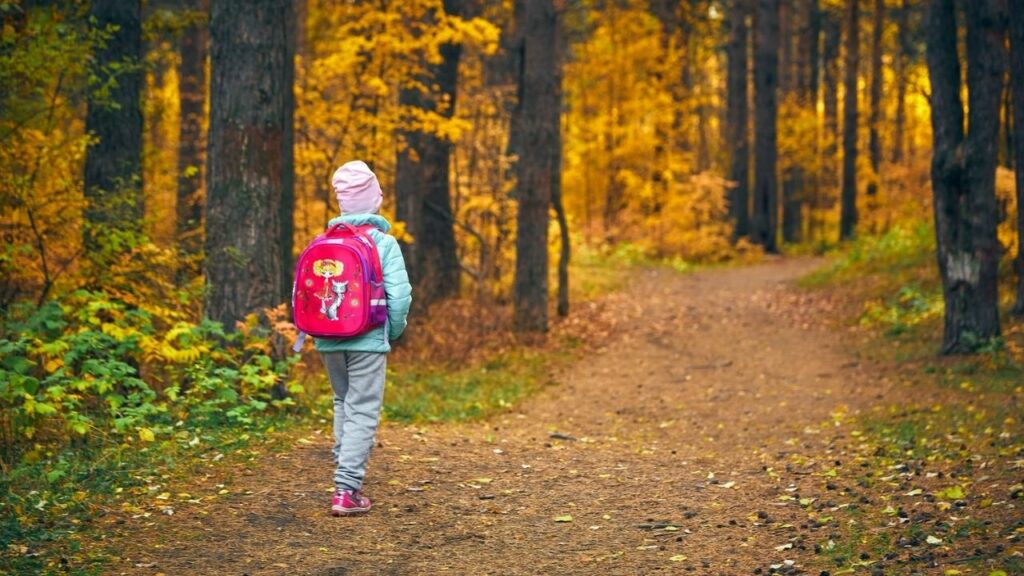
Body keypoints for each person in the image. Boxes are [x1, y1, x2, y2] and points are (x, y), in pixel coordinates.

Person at [316, 160, 412, 516]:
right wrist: (393, 330)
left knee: (343, 401)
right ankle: (346, 490)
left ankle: (345, 467)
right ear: (375, 200)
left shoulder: (323, 241)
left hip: (327, 337)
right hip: (368, 337)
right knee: (363, 409)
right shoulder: (383, 243)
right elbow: (399, 297)